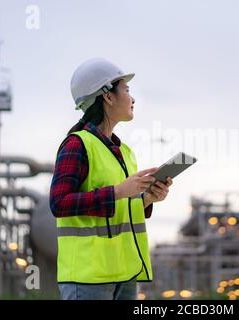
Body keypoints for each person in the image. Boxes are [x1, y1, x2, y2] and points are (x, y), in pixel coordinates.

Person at [49, 58, 173, 300]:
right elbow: (59, 203)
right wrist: (117, 191)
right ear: (107, 96)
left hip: (125, 275)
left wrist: (147, 198)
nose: (133, 98)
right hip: (88, 278)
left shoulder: (125, 152)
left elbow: (120, 209)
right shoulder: (77, 144)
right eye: (126, 90)